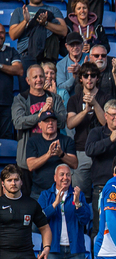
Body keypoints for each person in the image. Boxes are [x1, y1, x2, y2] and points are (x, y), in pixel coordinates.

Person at [12, 64, 67, 197]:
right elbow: (18, 122)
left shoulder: (55, 98)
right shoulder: (21, 99)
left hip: (50, 157)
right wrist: (40, 114)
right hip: (26, 158)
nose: (39, 79)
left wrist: (51, 112)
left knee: (50, 198)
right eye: (35, 77)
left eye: (41, 76)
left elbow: (63, 122)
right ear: (28, 80)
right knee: (25, 198)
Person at [85, 99, 116, 240]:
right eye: (113, 114)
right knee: (99, 227)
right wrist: (110, 139)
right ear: (105, 115)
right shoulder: (96, 132)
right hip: (101, 187)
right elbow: (89, 150)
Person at [38, 164, 92, 259]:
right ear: (55, 178)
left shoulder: (78, 194)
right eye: (61, 174)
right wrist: (54, 204)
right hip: (52, 248)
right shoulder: (46, 195)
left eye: (68, 175)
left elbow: (85, 220)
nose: (65, 177)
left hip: (75, 250)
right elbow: (39, 219)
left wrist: (78, 203)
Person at [67, 62, 110, 200]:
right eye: (86, 75)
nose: (89, 78)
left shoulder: (105, 97)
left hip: (102, 150)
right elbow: (70, 124)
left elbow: (106, 123)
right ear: (81, 79)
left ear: (98, 78)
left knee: (103, 194)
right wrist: (85, 111)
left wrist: (95, 104)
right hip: (82, 150)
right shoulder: (74, 99)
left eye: (93, 75)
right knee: (80, 196)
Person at [9, 0, 68, 90]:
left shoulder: (53, 9)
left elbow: (63, 31)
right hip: (27, 56)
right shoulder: (19, 11)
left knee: (49, 93)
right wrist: (25, 21)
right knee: (27, 96)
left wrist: (46, 23)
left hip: (47, 56)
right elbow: (13, 35)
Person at [26, 111, 78, 199]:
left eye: (53, 121)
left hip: (63, 192)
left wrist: (61, 154)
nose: (50, 123)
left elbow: (75, 164)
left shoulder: (67, 140)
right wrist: (48, 154)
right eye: (46, 121)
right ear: (40, 125)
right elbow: (31, 166)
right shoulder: (33, 141)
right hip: (39, 192)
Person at [0, 25, 23, 140]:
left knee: (6, 139)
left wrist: (0, 66)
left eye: (2, 32)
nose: (0, 35)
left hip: (6, 103)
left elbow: (19, 70)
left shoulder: (11, 51)